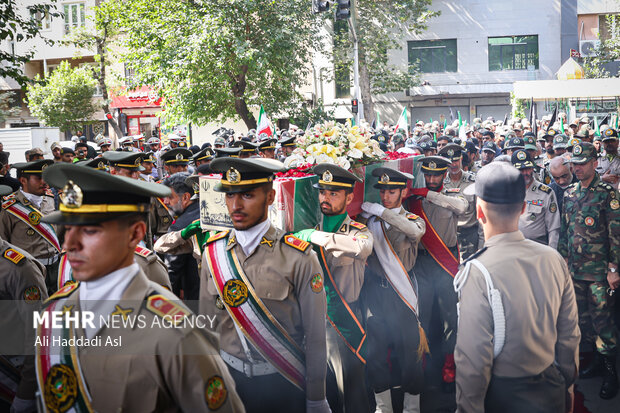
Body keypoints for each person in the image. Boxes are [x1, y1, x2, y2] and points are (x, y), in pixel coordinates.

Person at [35, 163, 243, 412]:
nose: (70, 244)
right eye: (68, 229)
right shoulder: (53, 314)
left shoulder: (175, 332)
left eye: (89, 230)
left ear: (135, 234)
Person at [200, 157, 329, 413]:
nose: (235, 205)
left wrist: (316, 398)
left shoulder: (299, 257)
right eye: (229, 196)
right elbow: (207, 329)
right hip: (230, 382)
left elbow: (315, 336)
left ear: (270, 197)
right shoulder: (212, 253)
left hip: (282, 381)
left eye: (247, 195)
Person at [453, 161, 580, 413]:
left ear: (479, 212)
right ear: (523, 208)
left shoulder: (477, 271)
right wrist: (567, 388)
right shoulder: (553, 258)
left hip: (503, 395)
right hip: (550, 386)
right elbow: (569, 336)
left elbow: (473, 362)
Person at [292, 164, 373, 413]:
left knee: (350, 392)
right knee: (320, 393)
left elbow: (362, 248)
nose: (325, 198)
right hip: (313, 323)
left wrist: (315, 237)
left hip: (344, 323)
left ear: (349, 197)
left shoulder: (357, 231)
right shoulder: (310, 230)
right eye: (322, 192)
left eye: (333, 193)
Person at [357, 167, 426, 413]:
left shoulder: (411, 220)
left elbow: (415, 232)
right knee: (375, 353)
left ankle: (411, 408)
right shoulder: (370, 220)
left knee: (410, 354)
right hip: (376, 292)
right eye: (383, 191)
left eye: (392, 191)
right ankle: (383, 408)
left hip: (403, 292)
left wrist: (381, 212)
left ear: (403, 192)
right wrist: (374, 215)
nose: (385, 196)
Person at [558, 142, 620, 400]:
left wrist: (614, 269)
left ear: (595, 162)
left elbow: (616, 233)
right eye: (575, 163)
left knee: (603, 322)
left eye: (583, 163)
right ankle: (595, 362)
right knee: (584, 322)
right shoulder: (569, 193)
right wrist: (561, 265)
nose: (577, 168)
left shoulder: (608, 193)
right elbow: (565, 233)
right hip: (575, 271)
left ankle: (610, 373)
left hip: (598, 272)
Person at [407, 155, 468, 399]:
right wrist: (418, 195)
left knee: (450, 320)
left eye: (437, 175)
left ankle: (449, 371)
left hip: (445, 265)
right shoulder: (412, 199)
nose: (432, 179)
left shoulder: (453, 195)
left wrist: (428, 194)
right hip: (421, 263)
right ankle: (422, 371)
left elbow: (463, 207)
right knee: (421, 318)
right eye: (428, 175)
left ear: (445, 174)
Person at [0, 160, 60, 293]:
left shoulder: (49, 199)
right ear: (23, 180)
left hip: (56, 269)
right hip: (29, 271)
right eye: (39, 178)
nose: (44, 182)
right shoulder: (9, 208)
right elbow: (2, 244)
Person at [161, 172, 200, 305]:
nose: (166, 202)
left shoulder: (180, 227)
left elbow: (172, 272)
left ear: (185, 197)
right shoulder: (206, 213)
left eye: (170, 197)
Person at [439, 144, 482, 260]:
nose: (453, 165)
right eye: (450, 162)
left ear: (461, 159)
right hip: (448, 236)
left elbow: (481, 216)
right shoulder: (440, 183)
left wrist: (482, 246)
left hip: (469, 237)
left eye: (456, 160)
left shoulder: (473, 181)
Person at [511, 149, 560, 248]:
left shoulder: (546, 193)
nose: (525, 173)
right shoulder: (506, 192)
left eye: (528, 168)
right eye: (520, 170)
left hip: (537, 247)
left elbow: (554, 228)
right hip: (512, 248)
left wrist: (552, 254)